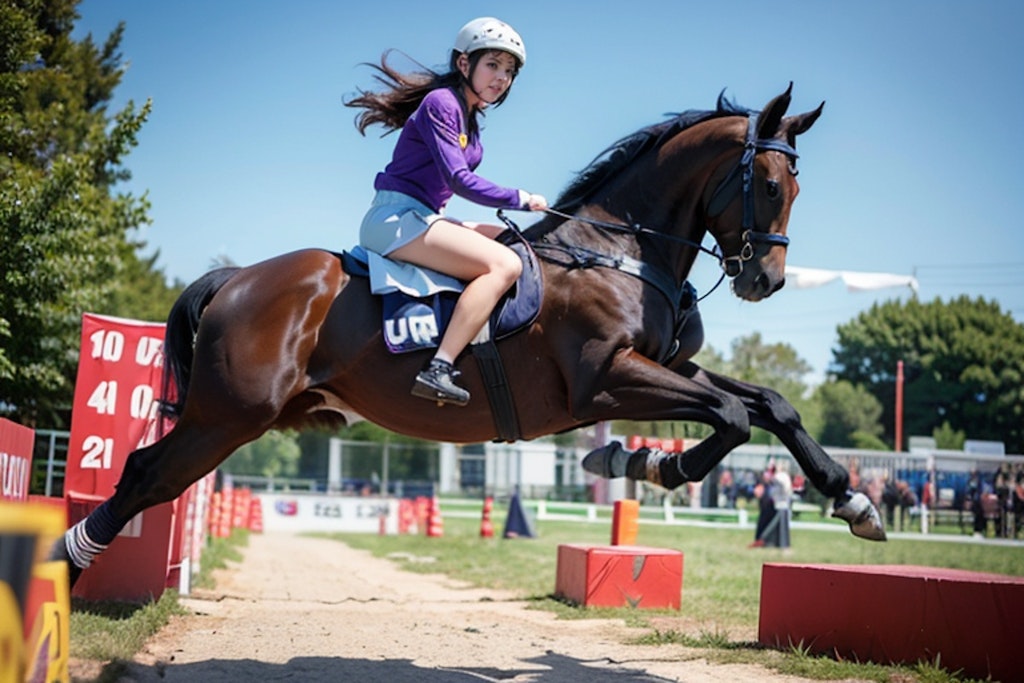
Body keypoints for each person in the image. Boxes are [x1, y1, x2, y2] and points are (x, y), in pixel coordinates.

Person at [345, 17, 548, 406]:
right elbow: (458, 180)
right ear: (463, 64)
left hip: (421, 217)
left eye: (509, 72)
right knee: (504, 266)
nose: (501, 78)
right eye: (493, 65)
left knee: (507, 241)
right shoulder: (442, 103)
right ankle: (439, 366)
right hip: (394, 221)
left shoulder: (469, 119)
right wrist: (520, 198)